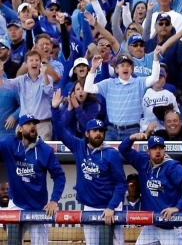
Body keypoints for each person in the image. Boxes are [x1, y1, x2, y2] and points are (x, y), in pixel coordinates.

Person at [51, 89, 127, 245]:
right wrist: (55, 109)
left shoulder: (112, 154)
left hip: (111, 207)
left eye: (101, 131)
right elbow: (60, 131)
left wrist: (112, 207)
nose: (98, 134)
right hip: (89, 207)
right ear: (87, 133)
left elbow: (121, 184)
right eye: (95, 131)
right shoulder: (79, 146)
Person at [118, 134, 182, 245]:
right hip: (152, 225)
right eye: (154, 148)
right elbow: (123, 149)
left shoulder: (172, 167)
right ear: (148, 151)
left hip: (172, 226)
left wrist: (177, 207)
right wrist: (131, 138)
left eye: (161, 148)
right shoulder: (142, 162)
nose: (158, 151)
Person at [0, 114, 66, 245]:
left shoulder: (45, 150)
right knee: (13, 243)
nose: (33, 127)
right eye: (29, 124)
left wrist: (54, 200)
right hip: (16, 206)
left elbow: (59, 176)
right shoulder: (9, 145)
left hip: (38, 208)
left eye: (34, 124)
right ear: (20, 129)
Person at [84, 49, 162, 140]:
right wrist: (93, 68)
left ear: (132, 69)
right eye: (122, 65)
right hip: (112, 131)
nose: (125, 68)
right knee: (108, 154)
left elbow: (155, 78)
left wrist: (156, 58)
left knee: (130, 155)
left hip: (132, 131)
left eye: (128, 65)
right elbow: (88, 88)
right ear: (116, 69)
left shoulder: (139, 82)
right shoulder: (108, 84)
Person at [0, 50, 54, 140]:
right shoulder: (20, 80)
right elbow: (5, 84)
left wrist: (44, 74)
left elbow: (48, 91)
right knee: (20, 153)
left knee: (41, 153)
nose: (34, 63)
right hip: (23, 126)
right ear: (26, 64)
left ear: (40, 63)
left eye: (37, 60)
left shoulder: (47, 78)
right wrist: (0, 74)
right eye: (31, 60)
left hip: (42, 125)